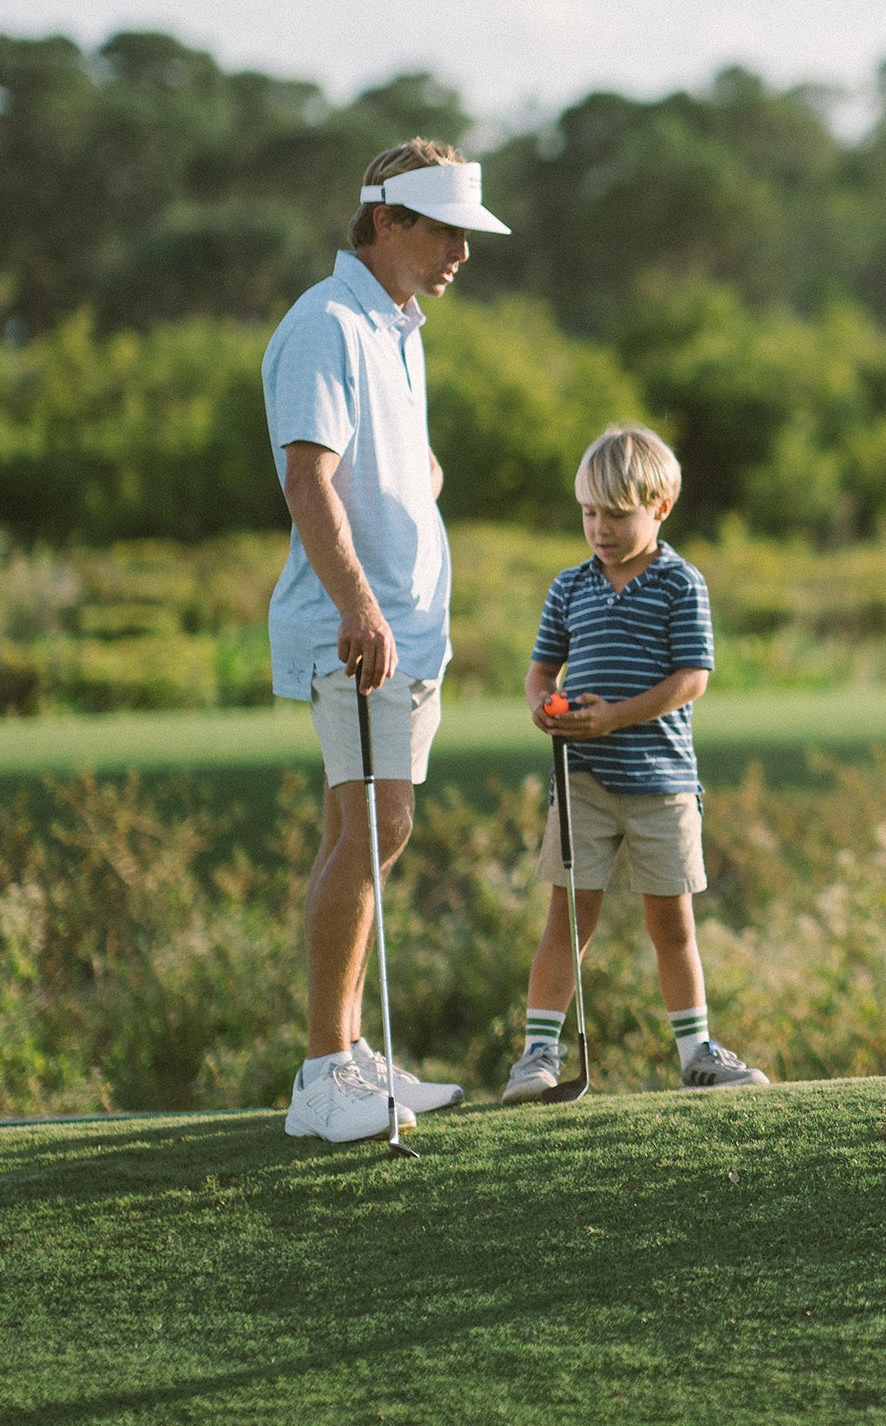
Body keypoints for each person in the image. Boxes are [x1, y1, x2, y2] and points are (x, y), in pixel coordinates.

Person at [265, 138, 508, 1142]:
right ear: (386, 221)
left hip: (405, 633)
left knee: (360, 829)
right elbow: (308, 478)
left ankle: (352, 1056)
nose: (461, 252)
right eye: (445, 231)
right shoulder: (327, 323)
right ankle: (325, 1074)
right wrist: (360, 606)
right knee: (376, 825)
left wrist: (418, 488)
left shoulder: (397, 328)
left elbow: (398, 465)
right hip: (359, 633)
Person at [503, 425, 770, 1102]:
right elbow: (540, 672)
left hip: (662, 782)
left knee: (671, 923)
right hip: (583, 780)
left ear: (661, 506)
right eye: (589, 512)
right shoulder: (570, 587)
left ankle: (697, 1054)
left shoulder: (681, 583)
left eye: (617, 515)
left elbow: (692, 679)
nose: (600, 529)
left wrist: (616, 716)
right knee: (569, 919)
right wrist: (541, 708)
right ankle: (537, 1056)